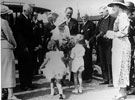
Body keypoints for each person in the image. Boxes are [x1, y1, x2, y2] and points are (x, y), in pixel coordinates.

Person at [106, 0, 131, 99]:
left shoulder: (123, 16)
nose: (112, 8)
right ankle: (121, 91)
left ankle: (123, 91)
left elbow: (124, 32)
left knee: (122, 67)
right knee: (118, 67)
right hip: (118, 44)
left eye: (114, 6)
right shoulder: (119, 17)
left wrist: (112, 34)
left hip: (123, 45)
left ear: (120, 7)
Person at [1, 5, 21, 100]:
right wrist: (15, 44)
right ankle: (10, 94)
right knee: (9, 70)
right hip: (5, 47)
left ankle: (2, 92)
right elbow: (9, 36)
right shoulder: (4, 22)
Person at [15, 4, 36, 91]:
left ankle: (29, 83)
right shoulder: (20, 19)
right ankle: (24, 85)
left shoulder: (28, 18)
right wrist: (24, 46)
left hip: (29, 47)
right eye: (29, 12)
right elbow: (19, 35)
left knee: (29, 66)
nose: (31, 13)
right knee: (23, 67)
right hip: (23, 48)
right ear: (24, 11)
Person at [97, 6, 115, 86]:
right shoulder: (100, 20)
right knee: (103, 61)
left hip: (109, 44)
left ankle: (111, 80)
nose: (100, 14)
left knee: (109, 61)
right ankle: (105, 79)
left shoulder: (112, 19)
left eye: (102, 12)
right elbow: (97, 30)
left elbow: (113, 30)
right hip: (101, 44)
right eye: (100, 12)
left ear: (107, 11)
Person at [80, 14, 96, 82]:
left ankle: (89, 76)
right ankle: (84, 76)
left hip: (88, 45)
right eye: (82, 17)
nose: (83, 18)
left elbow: (94, 34)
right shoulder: (81, 25)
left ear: (87, 17)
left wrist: (89, 42)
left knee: (88, 60)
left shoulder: (91, 24)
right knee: (83, 60)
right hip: (83, 45)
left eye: (84, 17)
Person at [125, 1, 135, 94]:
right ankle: (129, 86)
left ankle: (133, 87)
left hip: (132, 46)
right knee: (128, 66)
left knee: (132, 67)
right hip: (126, 46)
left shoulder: (133, 20)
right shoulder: (126, 19)